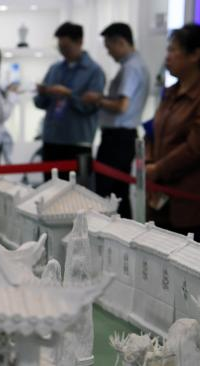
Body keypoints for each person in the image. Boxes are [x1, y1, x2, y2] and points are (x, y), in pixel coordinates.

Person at [147, 23, 200, 246]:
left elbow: (197, 147)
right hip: (160, 197)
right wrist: (149, 162)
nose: (167, 56)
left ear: (195, 55)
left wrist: (157, 169)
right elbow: (153, 131)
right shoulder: (171, 91)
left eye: (173, 50)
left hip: (192, 200)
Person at [82, 23, 150, 219]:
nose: (109, 52)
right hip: (123, 137)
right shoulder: (137, 64)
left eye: (109, 47)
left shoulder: (131, 67)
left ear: (120, 42)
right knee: (119, 195)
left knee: (106, 195)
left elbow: (121, 106)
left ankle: (104, 234)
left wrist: (97, 100)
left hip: (117, 138)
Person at [34, 22, 105, 179]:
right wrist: (43, 92)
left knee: (77, 191)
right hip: (51, 139)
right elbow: (40, 103)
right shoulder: (55, 69)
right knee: (50, 188)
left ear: (79, 42)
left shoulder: (94, 72)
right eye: (60, 48)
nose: (63, 52)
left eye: (66, 47)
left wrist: (68, 94)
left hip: (77, 141)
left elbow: (90, 107)